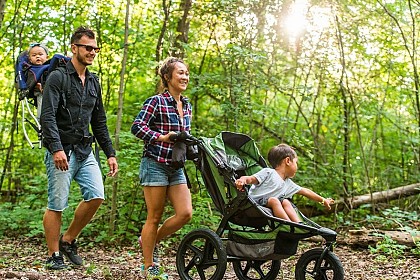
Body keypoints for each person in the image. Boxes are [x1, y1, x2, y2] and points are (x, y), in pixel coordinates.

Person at [40, 26, 118, 270]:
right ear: (74, 48)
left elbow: (100, 121)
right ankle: (54, 255)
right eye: (88, 47)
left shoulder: (94, 82)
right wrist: (56, 149)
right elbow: (48, 116)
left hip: (85, 150)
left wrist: (110, 153)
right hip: (61, 149)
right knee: (57, 203)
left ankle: (68, 240)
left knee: (97, 196)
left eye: (95, 48)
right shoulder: (58, 77)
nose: (92, 52)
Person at [131, 57, 192, 279]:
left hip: (176, 166)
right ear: (167, 77)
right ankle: (149, 265)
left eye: (186, 73)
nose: (185, 77)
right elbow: (136, 127)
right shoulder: (156, 101)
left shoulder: (187, 105)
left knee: (185, 213)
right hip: (155, 163)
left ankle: (149, 240)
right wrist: (160, 137)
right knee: (154, 216)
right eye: (180, 73)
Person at [235, 143, 334, 222]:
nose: (297, 166)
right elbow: (250, 179)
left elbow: (306, 191)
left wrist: (323, 200)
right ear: (287, 161)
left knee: (286, 201)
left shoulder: (288, 183)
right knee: (274, 200)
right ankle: (288, 224)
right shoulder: (268, 172)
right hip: (253, 204)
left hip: (268, 205)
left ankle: (298, 224)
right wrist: (242, 180)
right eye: (296, 162)